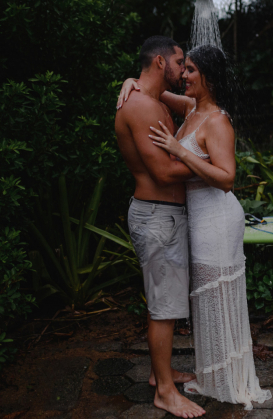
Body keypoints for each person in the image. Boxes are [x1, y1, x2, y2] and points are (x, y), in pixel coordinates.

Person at [117, 45, 271, 409]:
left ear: (208, 78)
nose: (183, 75)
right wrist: (129, 81)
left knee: (218, 296)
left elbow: (228, 177)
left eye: (190, 70)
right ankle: (214, 375)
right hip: (194, 219)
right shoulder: (189, 108)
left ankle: (230, 380)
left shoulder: (217, 120)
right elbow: (151, 89)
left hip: (217, 219)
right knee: (203, 301)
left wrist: (181, 150)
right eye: (181, 68)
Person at [115, 35, 206, 418]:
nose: (184, 69)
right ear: (158, 62)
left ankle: (159, 374)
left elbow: (197, 105)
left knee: (165, 302)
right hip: (157, 216)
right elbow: (165, 171)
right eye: (179, 62)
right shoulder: (141, 108)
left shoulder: (149, 99)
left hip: (163, 216)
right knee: (164, 309)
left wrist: (128, 80)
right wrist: (213, 167)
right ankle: (165, 393)